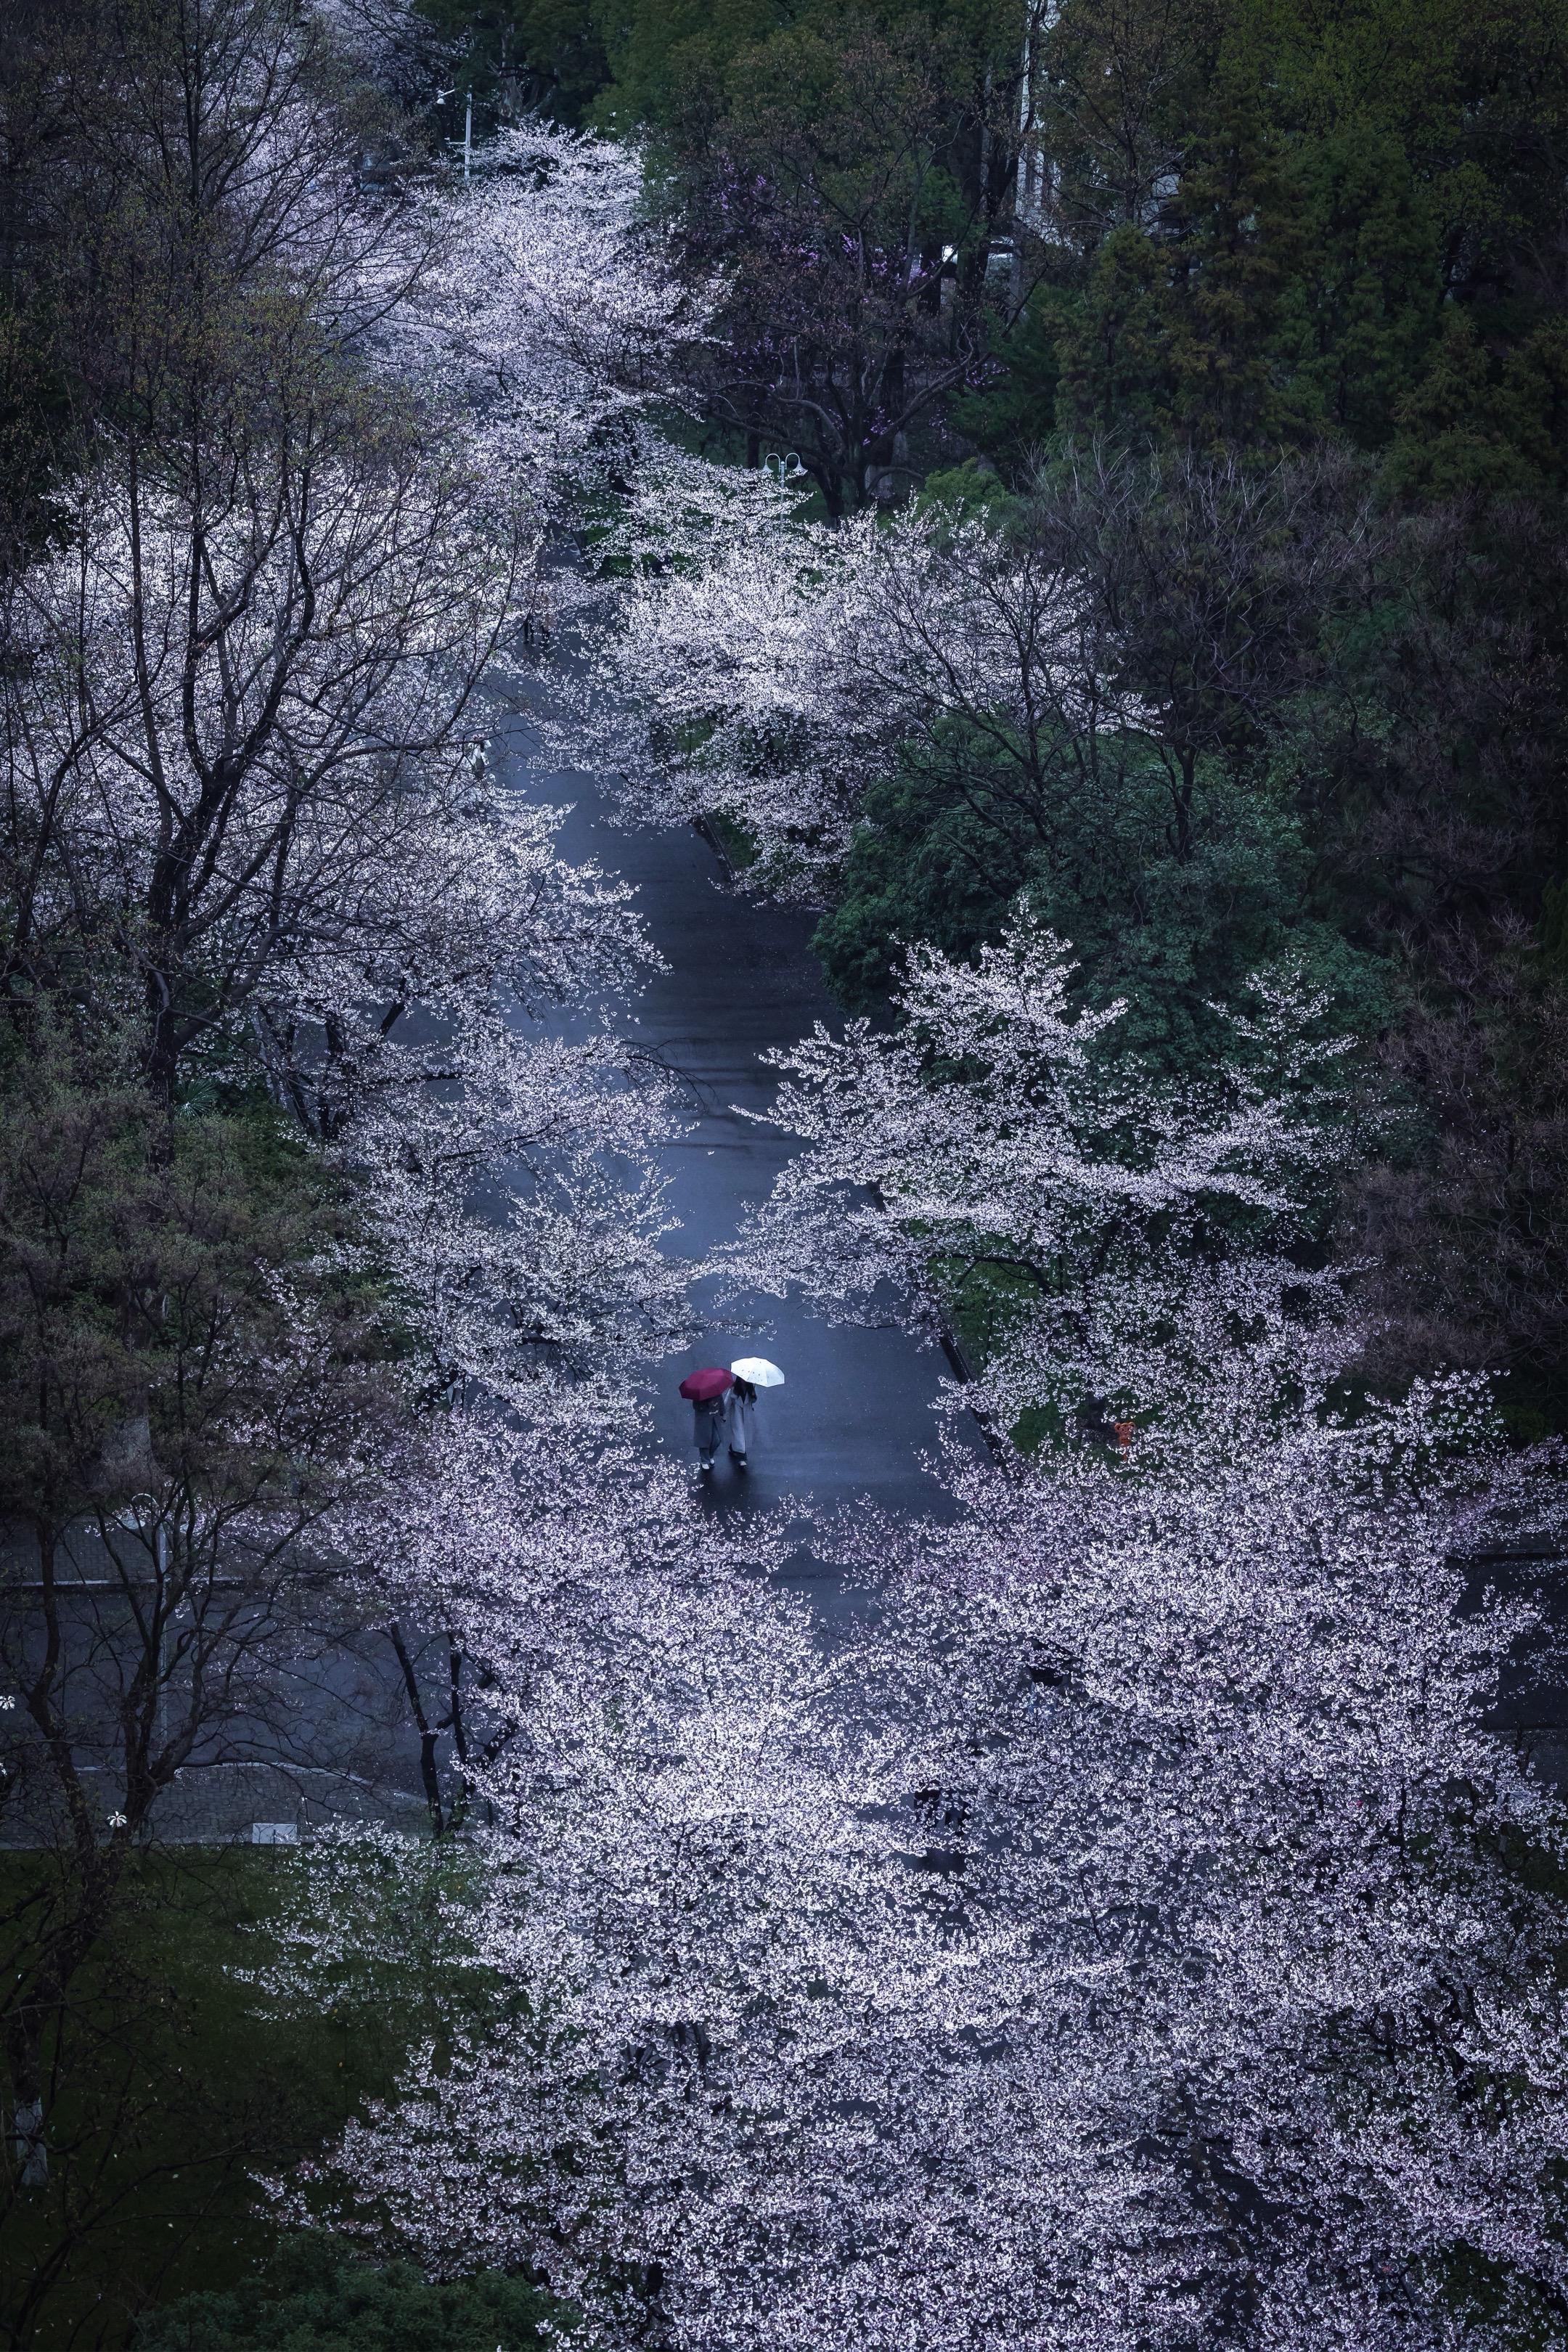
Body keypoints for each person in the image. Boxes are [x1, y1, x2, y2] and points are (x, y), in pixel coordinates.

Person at [693, 1390, 726, 1477]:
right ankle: (705, 1460)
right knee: (704, 1440)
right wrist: (706, 1402)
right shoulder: (699, 1395)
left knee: (717, 1439)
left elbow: (721, 1403)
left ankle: (710, 1455)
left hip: (715, 1418)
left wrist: (722, 1413)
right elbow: (697, 1407)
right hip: (704, 1419)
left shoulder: (717, 1392)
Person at [727, 1375, 757, 1469]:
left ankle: (732, 1448)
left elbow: (754, 1400)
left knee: (741, 1436)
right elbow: (727, 1403)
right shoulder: (733, 1390)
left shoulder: (750, 1389)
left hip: (747, 1415)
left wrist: (753, 1395)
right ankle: (742, 1458)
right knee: (739, 1435)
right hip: (737, 1415)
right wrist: (723, 1416)